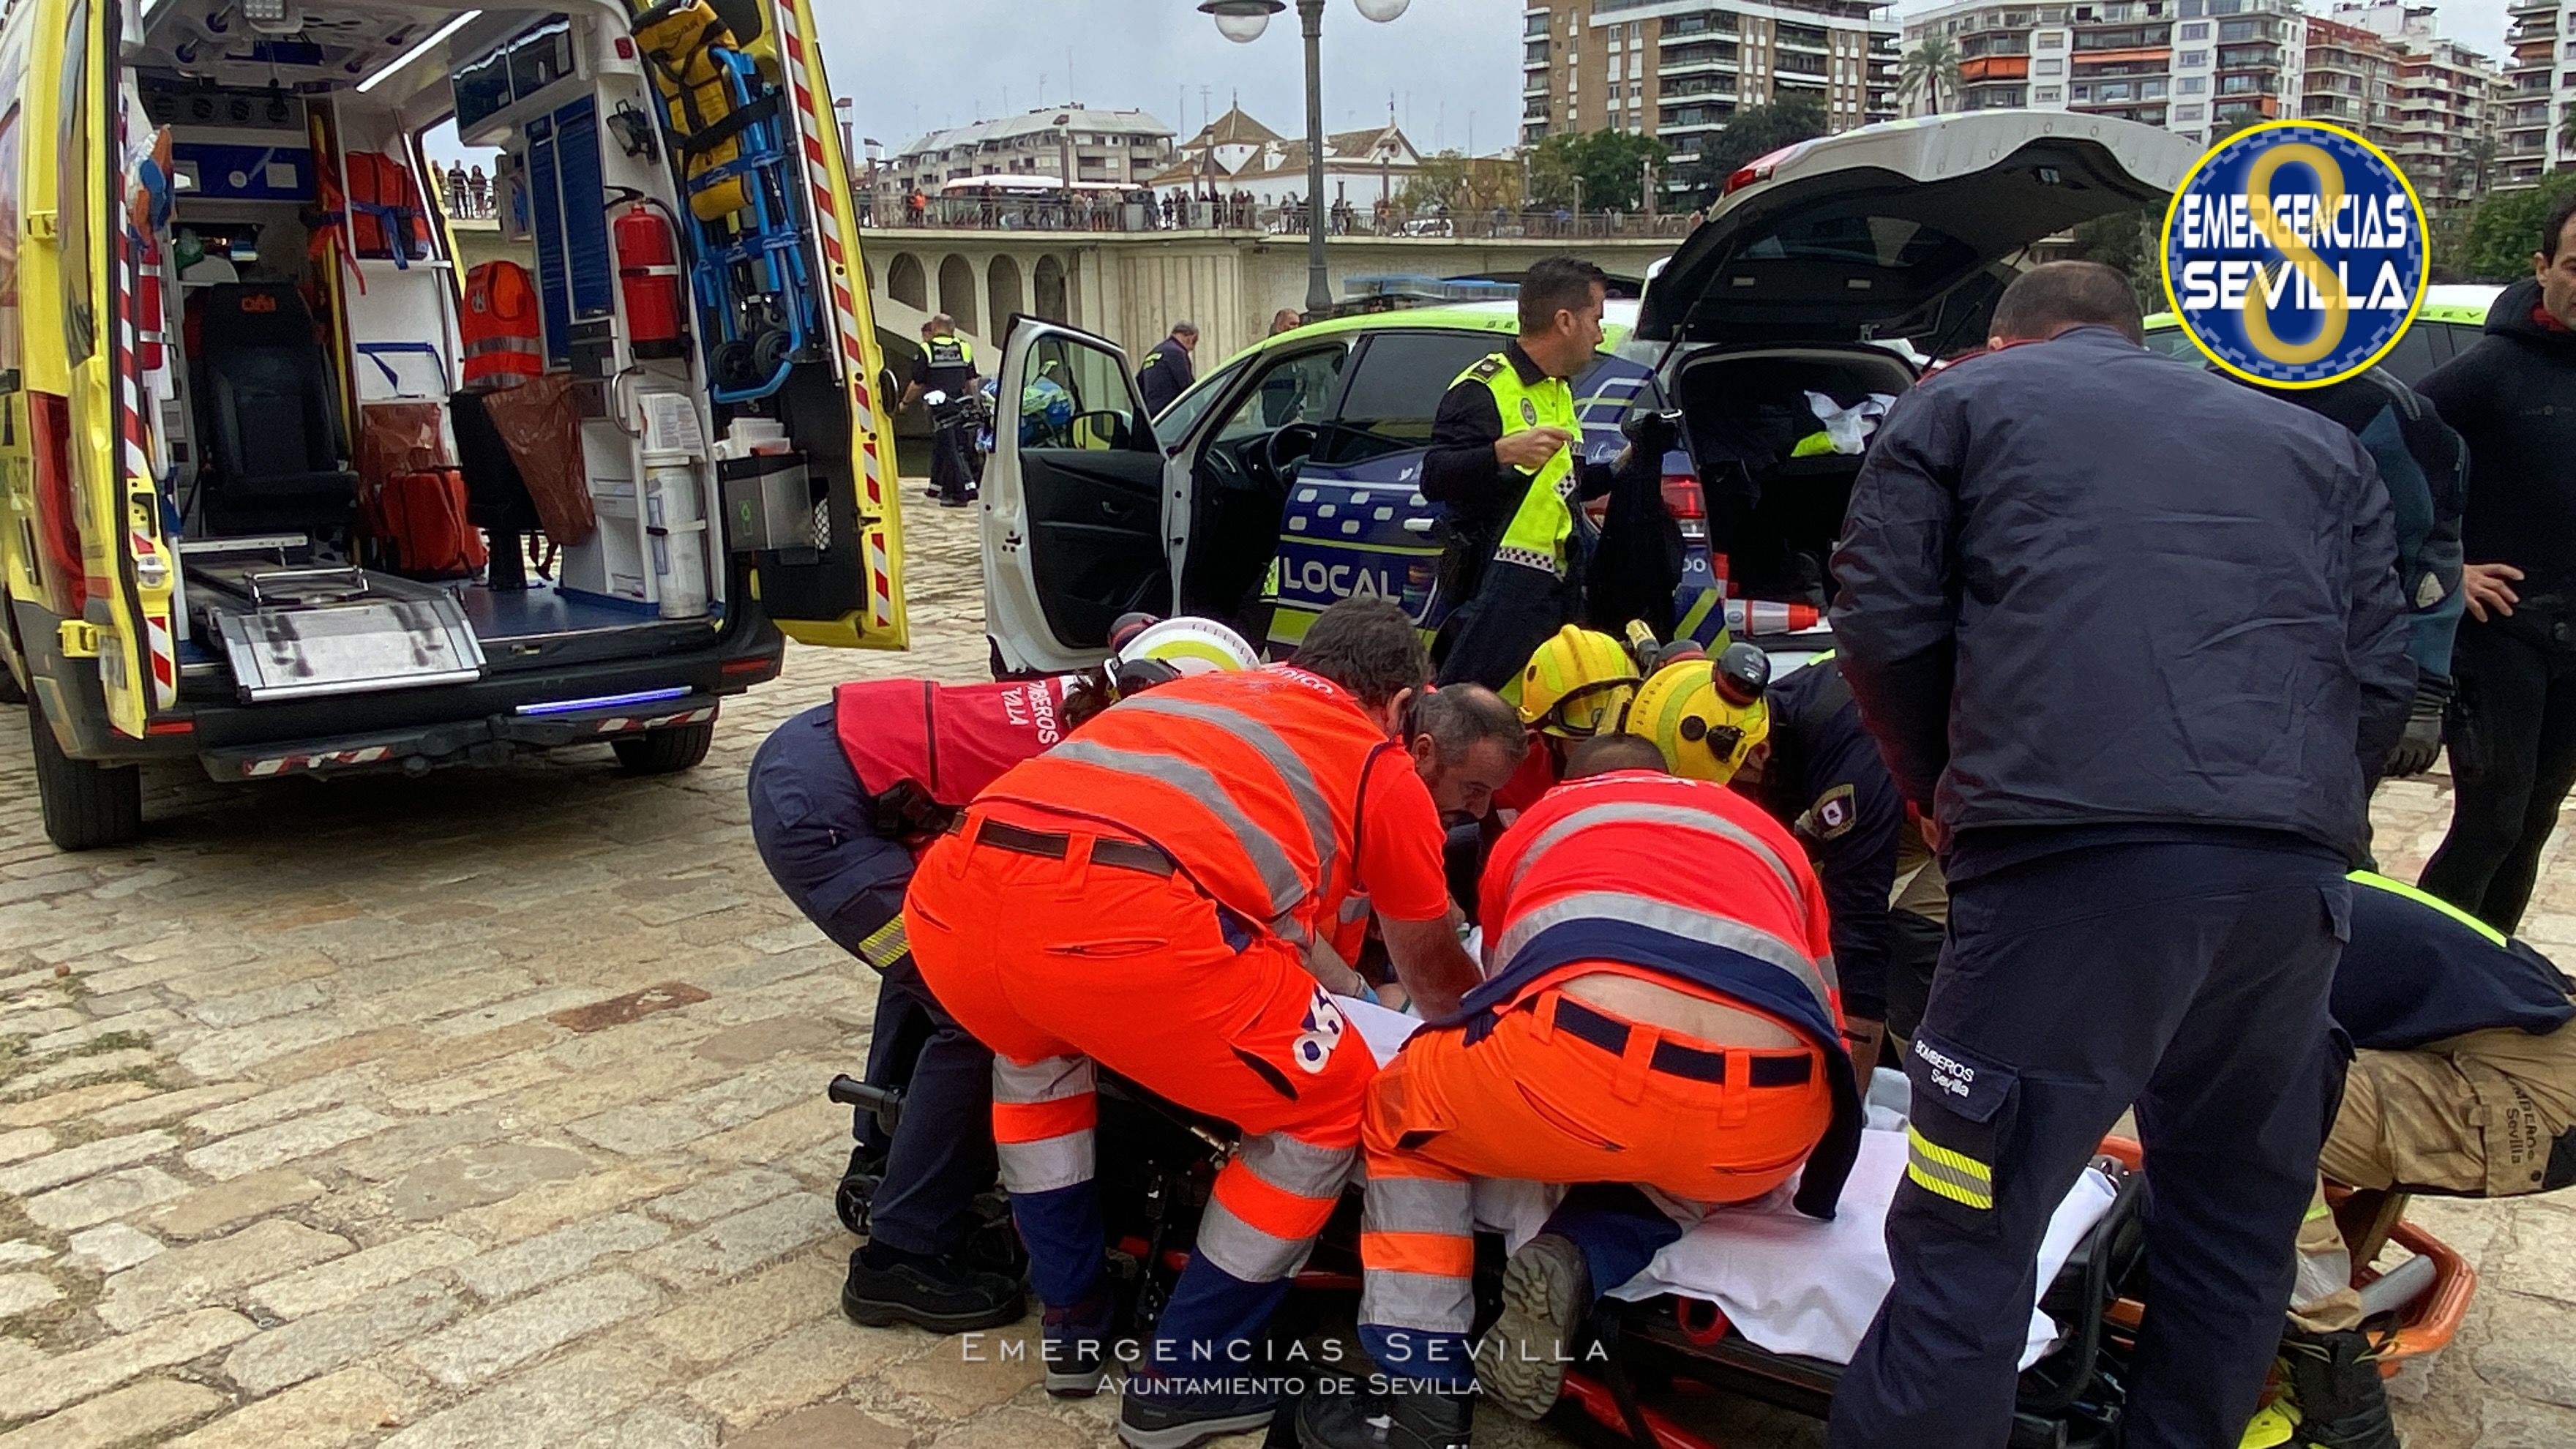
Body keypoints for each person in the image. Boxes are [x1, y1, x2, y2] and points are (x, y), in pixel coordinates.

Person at [1823, 261, 2413, 1449]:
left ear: (2005, 340)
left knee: (1969, 1235)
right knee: (2236, 1229)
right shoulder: (2314, 447)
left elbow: (1882, 618)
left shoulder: (1960, 403)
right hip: (2290, 893)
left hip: (2066, 872)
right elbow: (2384, 677)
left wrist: (1948, 793)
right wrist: (2298, 815)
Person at [903, 599, 1483, 1449]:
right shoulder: (1376, 762)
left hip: (957, 905)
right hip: (1126, 929)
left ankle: (1072, 1322)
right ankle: (1189, 1374)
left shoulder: (1179, 698)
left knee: (1036, 1067)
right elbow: (1434, 978)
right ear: (1402, 706)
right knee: (1326, 1106)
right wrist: (1493, 1021)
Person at [1297, 735, 1861, 1449]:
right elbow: (1828, 1019)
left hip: (1587, 1060)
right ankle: (1583, 1251)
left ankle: (1422, 1395)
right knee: (1694, 1168)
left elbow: (1499, 1003)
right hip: (1773, 1115)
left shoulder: (1541, 822)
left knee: (1405, 1113)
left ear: (1570, 780)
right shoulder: (1766, 835)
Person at [749, 618, 1260, 1333]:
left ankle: (887, 1151)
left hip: (822, 761)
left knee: (933, 956)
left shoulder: (1088, 702)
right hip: (825, 817)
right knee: (979, 1009)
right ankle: (901, 1258)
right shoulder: (1103, 755)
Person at [2250, 870, 2576, 1449]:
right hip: (2520, 1032)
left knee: (2228, 1102)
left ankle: (2338, 1404)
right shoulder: (2239, 859)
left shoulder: (2176, 914)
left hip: (2530, 1091)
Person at [2415, 193, 2576, 933]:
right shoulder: (2492, 368)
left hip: (2571, 638)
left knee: (2537, 817)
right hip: (2498, 634)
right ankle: (2424, 973)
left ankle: (2492, 971)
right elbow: (2382, 465)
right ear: (2542, 267)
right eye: (2575, 266)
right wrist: (2454, 570)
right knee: (2490, 820)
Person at [2234, 366, 2467, 787]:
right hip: (2214, 672)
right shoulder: (2188, 394)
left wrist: (2425, 693)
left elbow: (2431, 546)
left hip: (2341, 677)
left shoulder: (2388, 410)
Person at [1737, 651, 1949, 1077]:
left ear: (1757, 753)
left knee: (1913, 938)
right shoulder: (1777, 708)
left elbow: (1859, 928)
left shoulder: (1855, 771)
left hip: (2012, 806)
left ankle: (1930, 1083)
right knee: (1804, 887)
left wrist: (1851, 1100)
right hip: (1922, 790)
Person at [1424, 257, 1622, 691]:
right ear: (1565, 321)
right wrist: (1500, 453)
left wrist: (1621, 469)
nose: (1600, 333)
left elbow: (1557, 490)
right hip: (1493, 595)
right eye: (1596, 319)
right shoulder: (1484, 388)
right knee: (1474, 710)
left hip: (1553, 593)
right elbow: (1434, 476)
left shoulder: (1559, 388)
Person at [899, 316, 981, 508]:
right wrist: (973, 405)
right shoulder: (964, 347)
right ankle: (937, 487)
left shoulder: (927, 349)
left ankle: (961, 492)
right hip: (960, 405)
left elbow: (918, 383)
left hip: (939, 407)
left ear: (935, 328)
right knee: (952, 447)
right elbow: (970, 381)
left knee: (948, 448)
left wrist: (904, 402)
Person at [1137, 322, 1199, 415]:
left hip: (1153, 416)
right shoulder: (1177, 353)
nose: (1192, 349)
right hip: (1172, 414)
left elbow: (1139, 384)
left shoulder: (1153, 353)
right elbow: (1187, 385)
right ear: (1190, 338)